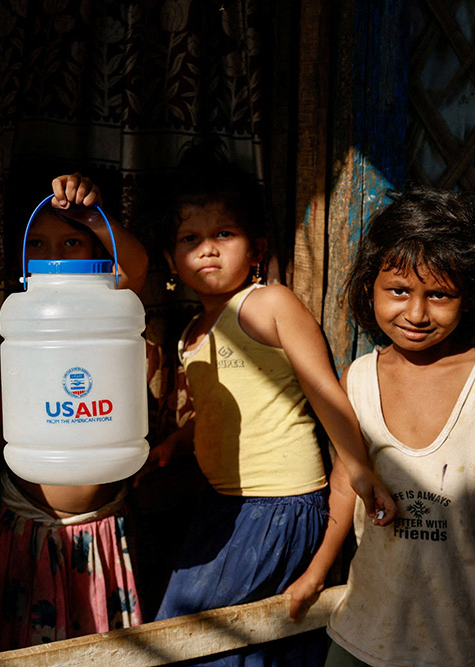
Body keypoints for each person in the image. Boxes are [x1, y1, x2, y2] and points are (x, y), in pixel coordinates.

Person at [149, 156, 394, 666]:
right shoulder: (192, 336)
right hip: (225, 506)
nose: (207, 248)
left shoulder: (268, 304)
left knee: (207, 640)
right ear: (171, 262)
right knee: (204, 638)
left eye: (223, 233)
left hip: (278, 506)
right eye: (189, 239)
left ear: (256, 248)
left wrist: (360, 472)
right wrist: (179, 441)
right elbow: (223, 410)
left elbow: (327, 395)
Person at [293, 186, 475, 667]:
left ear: (468, 299)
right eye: (399, 291)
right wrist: (318, 570)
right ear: (372, 285)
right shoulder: (359, 380)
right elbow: (346, 483)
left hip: (463, 636)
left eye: (440, 295)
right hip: (368, 625)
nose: (416, 313)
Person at [0, 174, 149, 651]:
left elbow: (137, 267)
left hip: (101, 531)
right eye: (36, 243)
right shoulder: (24, 316)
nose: (54, 250)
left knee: (103, 650)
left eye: (72, 240)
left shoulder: (112, 303)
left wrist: (93, 215)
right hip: (29, 528)